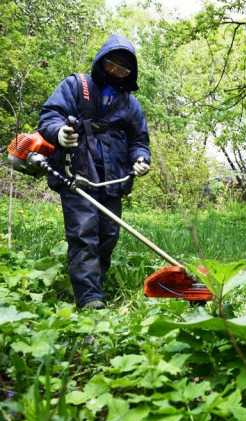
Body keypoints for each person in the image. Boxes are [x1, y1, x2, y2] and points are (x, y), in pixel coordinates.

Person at [38, 34, 151, 310]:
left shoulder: (130, 104)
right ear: (102, 61)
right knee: (83, 232)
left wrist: (140, 158)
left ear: (131, 73)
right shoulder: (77, 86)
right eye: (112, 65)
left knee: (108, 234)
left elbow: (140, 140)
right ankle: (89, 297)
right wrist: (59, 133)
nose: (116, 72)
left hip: (113, 178)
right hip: (76, 172)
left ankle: (95, 280)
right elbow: (50, 116)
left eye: (124, 69)